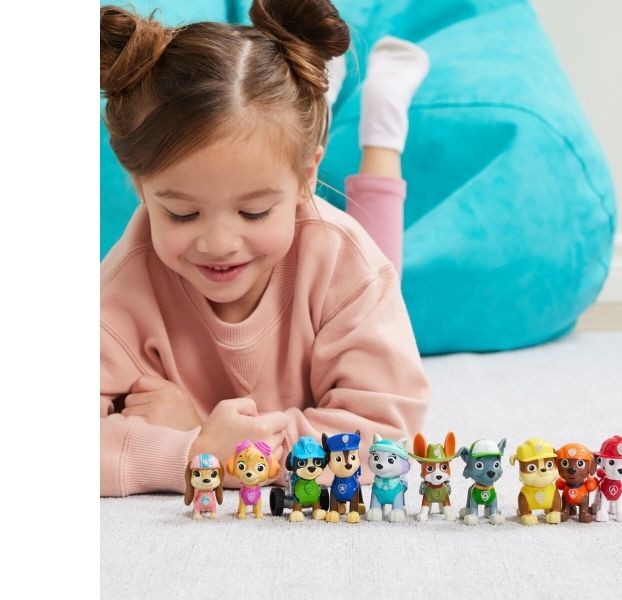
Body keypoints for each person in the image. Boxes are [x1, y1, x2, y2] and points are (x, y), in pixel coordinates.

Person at [100, 0, 431, 496]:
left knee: (380, 256)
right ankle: (321, 92)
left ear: (307, 178)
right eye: (182, 214)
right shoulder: (123, 287)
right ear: (140, 187)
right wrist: (187, 451)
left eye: (253, 212)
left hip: (330, 248)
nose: (218, 244)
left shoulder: (350, 265)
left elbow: (386, 439)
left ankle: (382, 122)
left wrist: (213, 445)